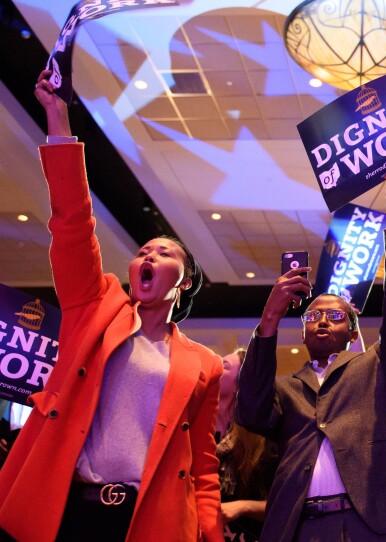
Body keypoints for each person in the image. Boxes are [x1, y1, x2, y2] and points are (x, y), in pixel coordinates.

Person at [0, 70, 223, 541]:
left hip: (147, 522)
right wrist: (58, 121)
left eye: (165, 254)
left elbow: (203, 464)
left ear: (181, 285)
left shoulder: (204, 364)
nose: (148, 255)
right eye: (143, 250)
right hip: (69, 512)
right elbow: (74, 225)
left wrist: (211, 532)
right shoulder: (95, 306)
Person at [235, 148, 386, 541]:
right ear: (302, 333)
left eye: (335, 316)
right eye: (312, 316)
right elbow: (251, 412)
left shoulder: (374, 367)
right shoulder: (286, 388)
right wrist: (269, 319)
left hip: (371, 524)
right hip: (300, 527)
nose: (323, 320)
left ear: (352, 332)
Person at [216, 349, 278, 541]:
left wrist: (242, 506)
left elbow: (286, 503)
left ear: (240, 384)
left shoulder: (262, 439)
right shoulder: (197, 427)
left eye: (224, 366)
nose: (214, 367)